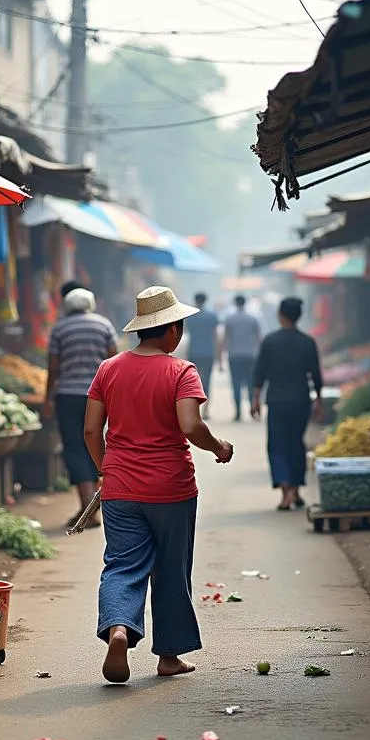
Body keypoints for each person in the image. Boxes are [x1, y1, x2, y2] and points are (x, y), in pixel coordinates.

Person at [83, 286, 234, 684]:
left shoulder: (108, 369)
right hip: (171, 489)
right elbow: (190, 426)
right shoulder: (180, 371)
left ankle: (119, 629)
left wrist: (106, 468)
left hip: (120, 487)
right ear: (172, 330)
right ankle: (169, 656)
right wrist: (218, 447)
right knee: (171, 569)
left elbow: (89, 429)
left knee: (122, 565)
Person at [44, 287, 118, 529]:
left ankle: (89, 507)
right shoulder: (104, 325)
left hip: (67, 394)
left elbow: (53, 366)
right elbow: (114, 360)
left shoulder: (60, 328)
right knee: (95, 442)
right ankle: (90, 506)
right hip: (97, 395)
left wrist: (48, 397)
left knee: (74, 448)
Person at [251, 297, 323, 512]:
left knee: (277, 444)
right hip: (301, 400)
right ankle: (296, 489)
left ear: (280, 315)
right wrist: (318, 399)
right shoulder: (307, 342)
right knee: (296, 443)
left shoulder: (270, 341)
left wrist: (255, 399)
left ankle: (286, 491)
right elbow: (315, 374)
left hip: (277, 401)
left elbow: (260, 372)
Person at [219, 294, 262, 422]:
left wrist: (221, 357)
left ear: (235, 303)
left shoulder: (230, 319)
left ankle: (238, 412)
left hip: (234, 356)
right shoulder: (252, 319)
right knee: (250, 384)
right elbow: (258, 339)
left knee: (236, 384)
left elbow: (225, 338)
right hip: (250, 356)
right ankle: (252, 410)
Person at [186, 292, 219, 419]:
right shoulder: (212, 316)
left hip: (193, 352)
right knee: (207, 381)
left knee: (192, 382)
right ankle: (205, 411)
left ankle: (195, 411)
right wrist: (218, 355)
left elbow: (187, 336)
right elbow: (216, 336)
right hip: (208, 352)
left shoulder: (190, 316)